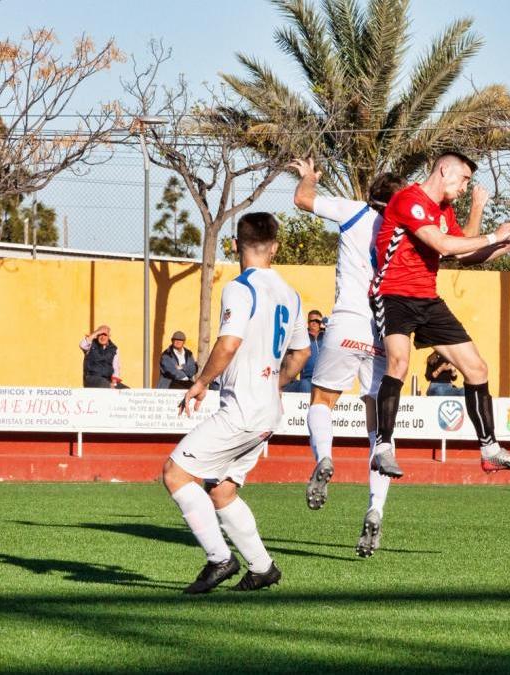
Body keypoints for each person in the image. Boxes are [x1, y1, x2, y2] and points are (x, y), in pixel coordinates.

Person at [162, 211, 310, 593]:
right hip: (268, 410)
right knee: (223, 491)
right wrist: (274, 382)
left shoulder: (241, 288)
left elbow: (229, 343)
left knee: (176, 474)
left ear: (234, 245)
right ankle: (262, 568)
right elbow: (300, 355)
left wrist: (201, 382)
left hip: (242, 409)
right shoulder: (292, 296)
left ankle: (220, 559)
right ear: (275, 247)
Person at [368, 151, 510, 477]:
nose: (464, 188)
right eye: (464, 180)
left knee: (477, 368)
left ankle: (490, 450)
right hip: (393, 294)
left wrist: (506, 246)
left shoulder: (443, 211)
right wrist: (494, 234)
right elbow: (442, 245)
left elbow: (467, 254)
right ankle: (384, 447)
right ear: (444, 170)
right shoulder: (408, 199)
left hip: (427, 298)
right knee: (399, 363)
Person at [289, 157, 405, 558]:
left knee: (321, 401)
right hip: (383, 331)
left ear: (370, 196)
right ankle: (375, 508)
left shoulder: (354, 211)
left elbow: (302, 200)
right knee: (380, 428)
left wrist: (309, 177)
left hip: (347, 323)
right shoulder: (407, 232)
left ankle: (324, 457)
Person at [282, 309, 324, 393]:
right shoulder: (302, 337)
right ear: (308, 322)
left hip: (323, 378)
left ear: (321, 323)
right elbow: (291, 355)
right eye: (311, 320)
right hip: (308, 378)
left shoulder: (326, 337)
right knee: (304, 385)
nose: (314, 322)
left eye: (317, 320)